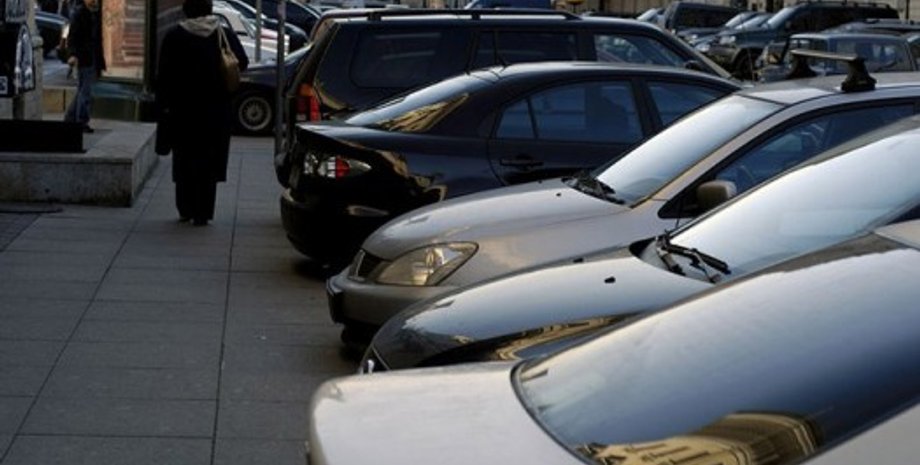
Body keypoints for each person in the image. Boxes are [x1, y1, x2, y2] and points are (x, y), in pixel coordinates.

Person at [154, 0, 248, 226]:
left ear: (186, 10)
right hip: (215, 111)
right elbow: (241, 62)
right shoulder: (222, 34)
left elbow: (163, 76)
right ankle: (203, 212)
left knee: (184, 159)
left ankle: (185, 208)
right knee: (209, 161)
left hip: (183, 111)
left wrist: (163, 106)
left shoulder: (175, 36)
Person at [64, 0, 104, 133]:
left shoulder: (95, 13)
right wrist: (72, 54)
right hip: (84, 57)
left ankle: (71, 118)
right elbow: (72, 37)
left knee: (82, 90)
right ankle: (81, 121)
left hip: (91, 56)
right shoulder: (80, 14)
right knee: (85, 91)